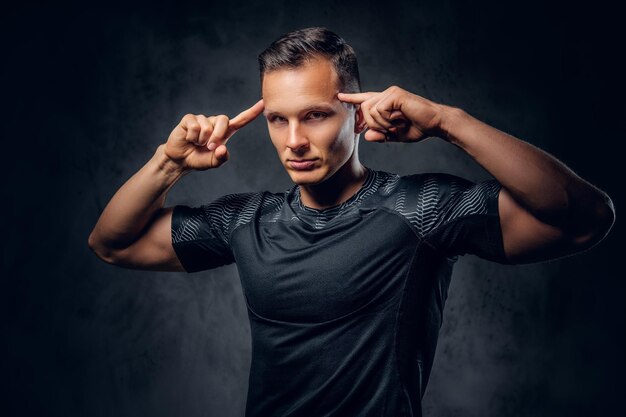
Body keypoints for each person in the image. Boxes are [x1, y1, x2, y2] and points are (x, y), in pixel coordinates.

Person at [88, 27, 615, 417]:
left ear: (356, 115)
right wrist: (170, 162)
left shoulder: (422, 209)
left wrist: (448, 123)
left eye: (314, 114)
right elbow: (111, 243)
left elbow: (584, 218)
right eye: (278, 118)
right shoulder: (248, 221)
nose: (294, 139)